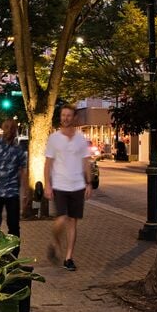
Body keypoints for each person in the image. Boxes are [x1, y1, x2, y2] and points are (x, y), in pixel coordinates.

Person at [44, 106, 93, 271]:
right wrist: (47, 184)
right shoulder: (54, 138)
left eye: (68, 115)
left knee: (73, 222)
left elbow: (86, 162)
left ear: (74, 118)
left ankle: (68, 257)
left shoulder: (80, 138)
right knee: (61, 219)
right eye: (63, 115)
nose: (65, 118)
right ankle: (55, 242)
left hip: (78, 185)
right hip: (60, 184)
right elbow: (48, 164)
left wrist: (88, 183)